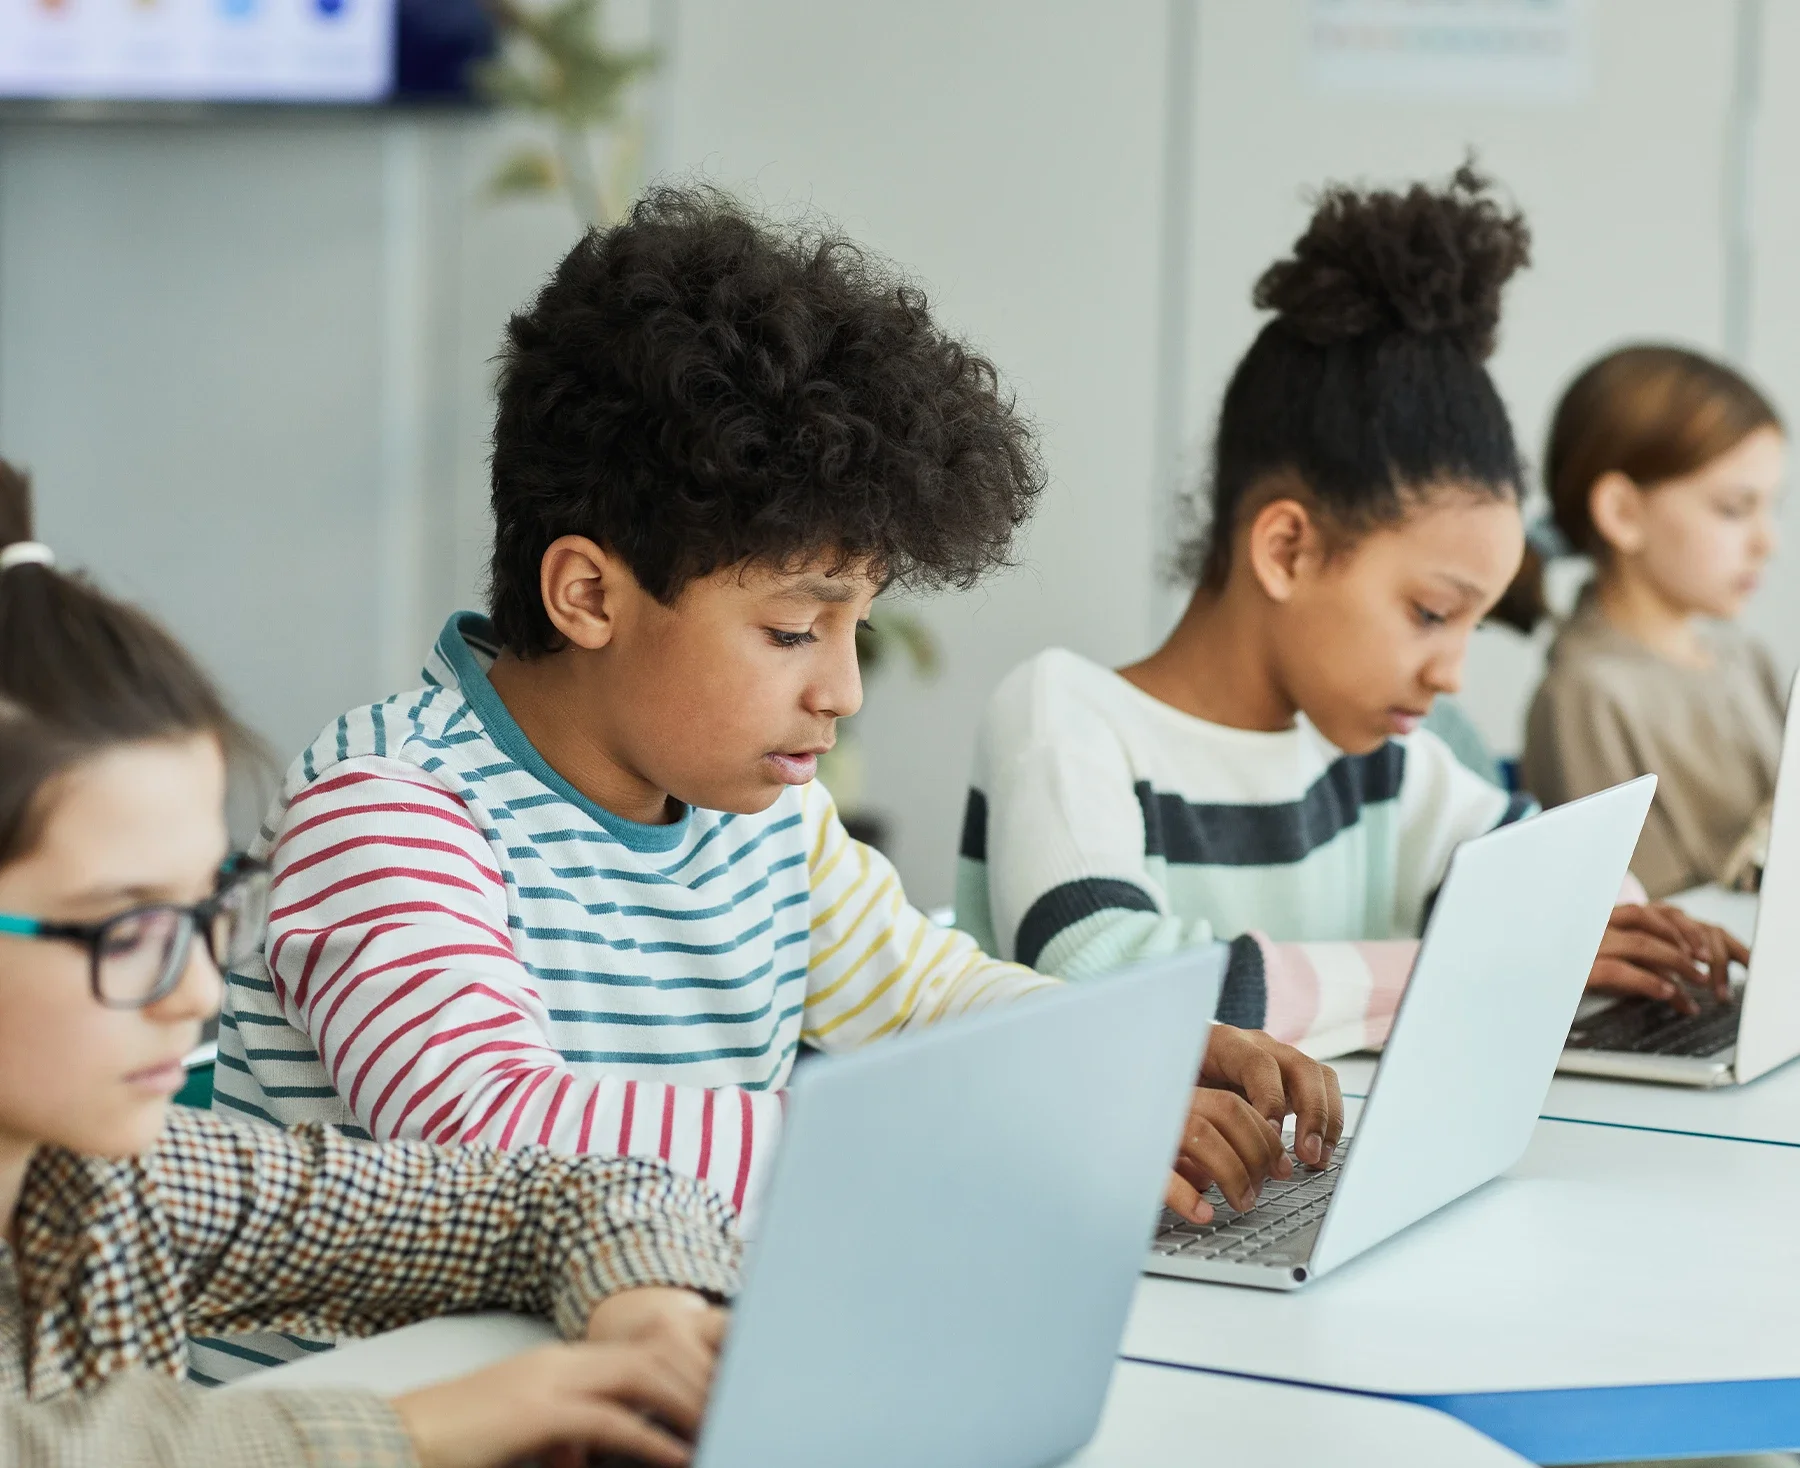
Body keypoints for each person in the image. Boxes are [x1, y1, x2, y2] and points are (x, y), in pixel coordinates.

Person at [208, 187, 1342, 1378]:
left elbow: (919, 1000)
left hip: (628, 1389)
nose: (844, 690)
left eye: (857, 627)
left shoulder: (761, 817)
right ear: (588, 594)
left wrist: (1127, 1055)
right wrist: (1004, 1123)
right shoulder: (387, 808)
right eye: (796, 630)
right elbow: (498, 1137)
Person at [0, 460, 741, 1467]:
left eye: (211, 906)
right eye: (123, 930)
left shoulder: (107, 1183)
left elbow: (565, 1193)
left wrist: (644, 1307)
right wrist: (423, 1425)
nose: (198, 992)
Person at [956, 166, 1746, 1060]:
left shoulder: (1379, 760)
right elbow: (1111, 983)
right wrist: (1473, 965)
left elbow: (1536, 869)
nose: (1451, 673)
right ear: (1286, 550)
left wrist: (1620, 921)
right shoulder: (1066, 719)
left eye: (1470, 624)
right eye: (1430, 612)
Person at [1501, 345, 1787, 900]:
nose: (1766, 542)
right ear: (1622, 513)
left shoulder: (1746, 658)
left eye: (1773, 507)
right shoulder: (1584, 696)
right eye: (1733, 509)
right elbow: (1651, 921)